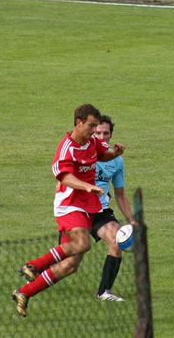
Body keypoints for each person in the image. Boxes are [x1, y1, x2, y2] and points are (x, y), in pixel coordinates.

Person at [12, 104, 125, 317]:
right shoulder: (67, 148)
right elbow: (64, 177)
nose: (94, 130)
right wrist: (87, 186)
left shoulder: (92, 141)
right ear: (78, 122)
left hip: (87, 206)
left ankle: (24, 292)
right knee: (82, 243)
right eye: (91, 126)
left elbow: (102, 155)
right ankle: (33, 266)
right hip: (69, 203)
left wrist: (114, 153)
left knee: (70, 265)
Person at [90, 114, 135, 301]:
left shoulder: (116, 160)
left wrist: (133, 221)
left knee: (117, 241)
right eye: (97, 133)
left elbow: (120, 195)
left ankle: (104, 291)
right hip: (78, 210)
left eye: (105, 133)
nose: (101, 137)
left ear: (111, 135)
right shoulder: (83, 152)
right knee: (67, 259)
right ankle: (35, 270)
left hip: (101, 212)